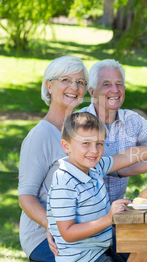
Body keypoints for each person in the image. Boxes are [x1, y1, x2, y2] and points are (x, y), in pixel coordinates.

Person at [46, 112, 147, 261]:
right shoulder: (64, 182)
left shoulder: (95, 168)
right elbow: (68, 233)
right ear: (66, 146)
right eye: (86, 143)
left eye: (99, 143)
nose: (94, 150)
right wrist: (108, 218)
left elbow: (127, 155)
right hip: (86, 258)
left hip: (106, 247)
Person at [18, 56, 90, 261]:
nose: (74, 87)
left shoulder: (81, 131)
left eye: (80, 82)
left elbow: (115, 163)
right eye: (65, 80)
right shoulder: (40, 136)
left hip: (80, 230)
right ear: (49, 86)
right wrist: (54, 226)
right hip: (45, 237)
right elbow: (26, 197)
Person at [80, 59, 147, 203]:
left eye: (119, 84)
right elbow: (118, 168)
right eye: (106, 84)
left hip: (118, 212)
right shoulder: (78, 123)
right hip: (83, 216)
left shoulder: (132, 119)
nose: (115, 90)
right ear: (93, 92)